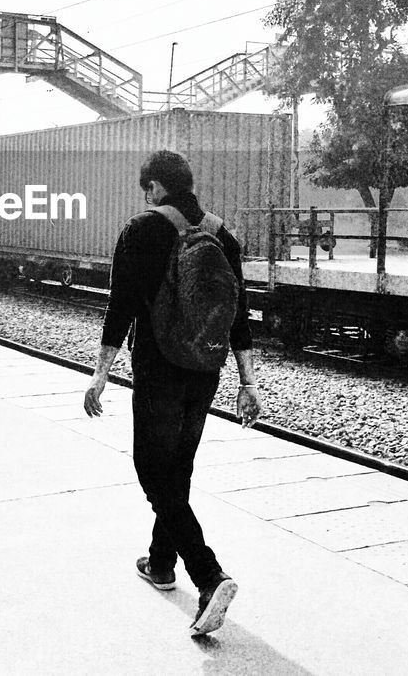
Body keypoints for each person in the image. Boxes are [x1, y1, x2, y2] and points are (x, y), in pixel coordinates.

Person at [84, 149, 261, 638]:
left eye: (148, 189)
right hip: (206, 370)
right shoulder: (222, 235)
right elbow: (239, 316)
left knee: (153, 473)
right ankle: (162, 564)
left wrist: (100, 373)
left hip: (160, 368)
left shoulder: (143, 230)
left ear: (155, 188)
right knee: (176, 469)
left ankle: (209, 576)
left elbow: (120, 307)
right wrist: (249, 384)